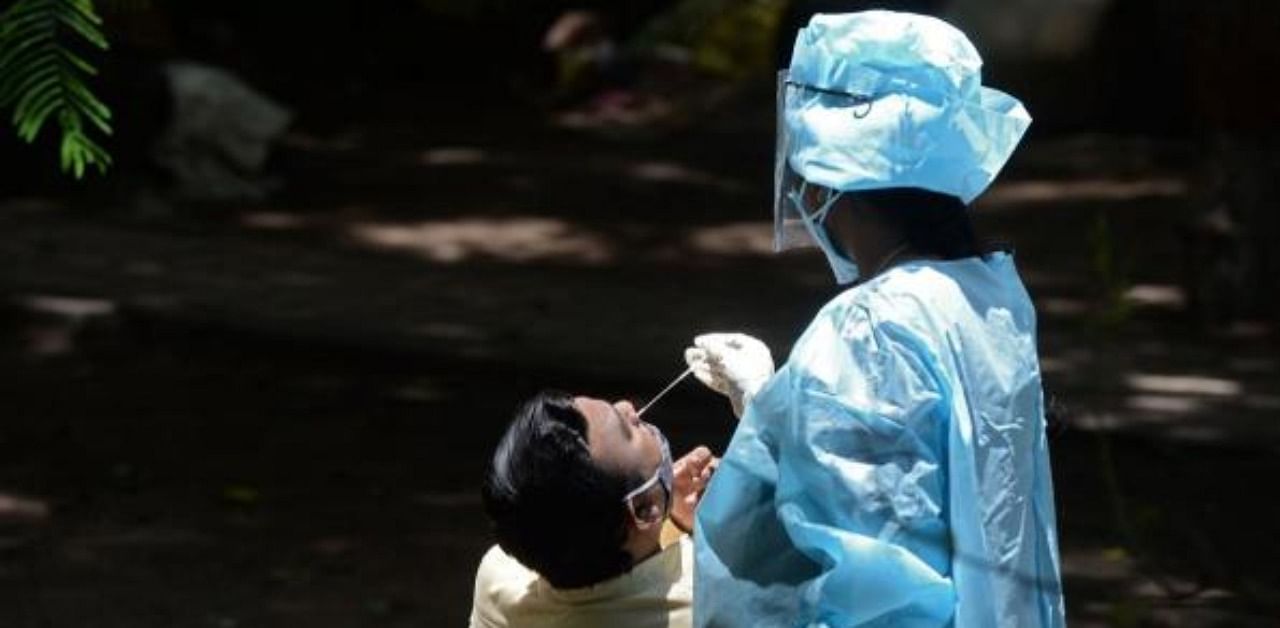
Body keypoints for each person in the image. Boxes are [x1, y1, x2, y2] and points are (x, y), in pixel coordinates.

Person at [682, 11, 1066, 627]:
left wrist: (797, 402)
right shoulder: (987, 296)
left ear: (826, 175)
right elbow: (920, 473)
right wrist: (774, 405)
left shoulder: (869, 329)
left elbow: (875, 578)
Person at [470, 390, 716, 628]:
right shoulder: (707, 606)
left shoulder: (500, 579)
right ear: (644, 510)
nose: (627, 407)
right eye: (628, 432)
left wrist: (673, 520)